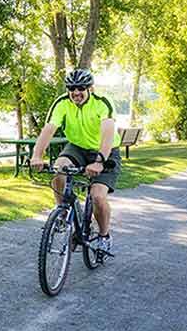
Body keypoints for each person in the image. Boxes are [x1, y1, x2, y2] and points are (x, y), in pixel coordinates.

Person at [30, 68, 122, 254]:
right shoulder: (62, 103)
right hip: (77, 147)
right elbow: (48, 129)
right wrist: (37, 155)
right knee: (59, 169)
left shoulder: (102, 103)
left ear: (90, 88)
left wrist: (99, 161)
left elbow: (108, 134)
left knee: (97, 196)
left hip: (105, 150)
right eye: (71, 88)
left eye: (80, 88)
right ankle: (62, 213)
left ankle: (104, 236)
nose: (76, 92)